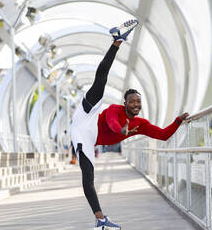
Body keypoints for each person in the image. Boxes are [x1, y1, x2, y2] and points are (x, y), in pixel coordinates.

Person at [70, 19, 190, 230]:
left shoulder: (140, 123)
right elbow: (112, 123)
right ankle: (116, 42)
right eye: (132, 101)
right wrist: (122, 130)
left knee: (89, 177)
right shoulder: (115, 110)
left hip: (89, 139)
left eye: (138, 102)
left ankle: (100, 221)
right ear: (125, 103)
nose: (136, 104)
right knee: (101, 80)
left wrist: (178, 121)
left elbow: (162, 135)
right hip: (84, 121)